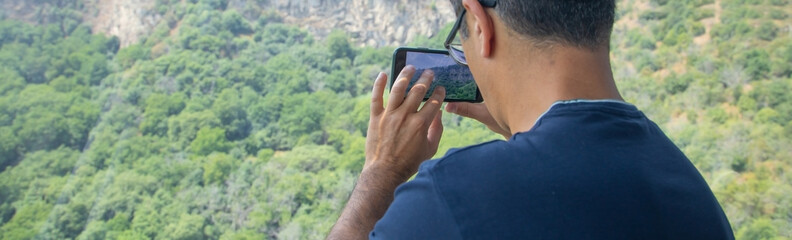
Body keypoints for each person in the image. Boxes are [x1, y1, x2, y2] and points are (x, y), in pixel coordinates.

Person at [328, 0, 734, 239]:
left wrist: (382, 173)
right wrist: (524, 132)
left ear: (479, 24)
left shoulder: (452, 197)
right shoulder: (691, 193)